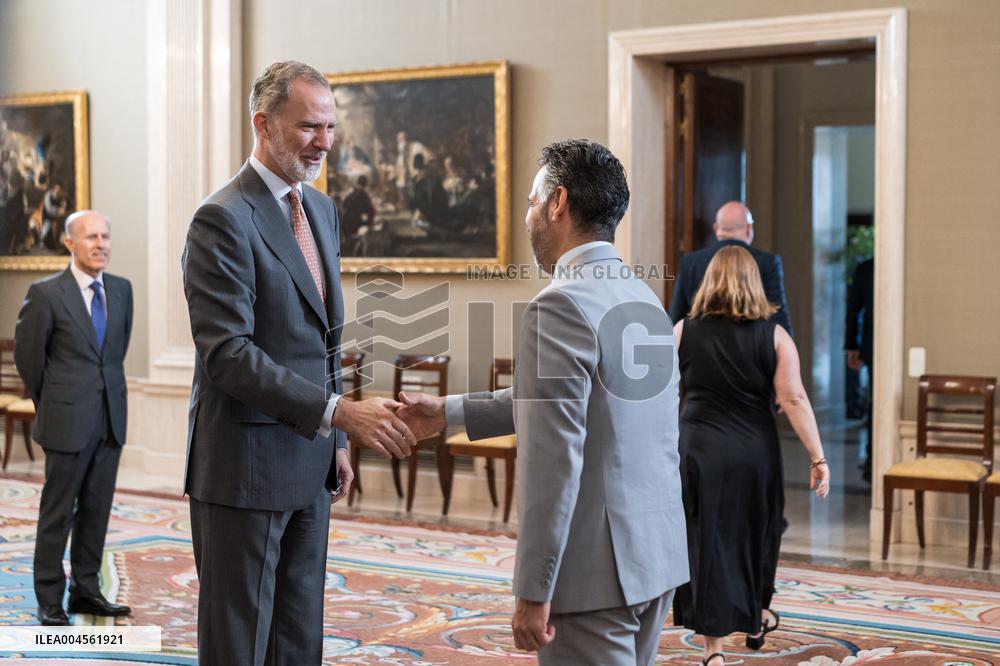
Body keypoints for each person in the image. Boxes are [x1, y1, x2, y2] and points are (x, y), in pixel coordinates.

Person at [397, 139, 688, 666]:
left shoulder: (559, 304)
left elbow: (554, 458)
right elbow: (572, 405)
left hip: (594, 572)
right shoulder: (643, 295)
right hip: (654, 554)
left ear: (558, 203)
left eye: (532, 202)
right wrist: (448, 413)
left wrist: (534, 588)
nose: (528, 215)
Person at [181, 61, 417, 665]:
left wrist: (333, 441)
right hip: (244, 467)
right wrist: (339, 413)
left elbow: (323, 338)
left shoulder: (322, 210)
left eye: (331, 128)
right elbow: (228, 355)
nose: (325, 143)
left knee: (298, 637)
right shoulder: (222, 218)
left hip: (311, 462)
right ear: (263, 124)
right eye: (310, 127)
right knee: (240, 643)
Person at [670, 245, 830, 665]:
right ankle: (757, 616)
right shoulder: (775, 336)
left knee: (706, 542)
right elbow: (793, 399)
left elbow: (664, 395)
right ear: (754, 282)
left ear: (708, 281)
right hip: (753, 451)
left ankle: (713, 650)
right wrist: (818, 457)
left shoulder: (683, 331)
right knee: (757, 531)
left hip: (699, 450)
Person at [14, 210, 133, 626]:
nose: (100, 244)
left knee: (97, 509)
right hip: (66, 420)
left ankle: (86, 590)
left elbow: (113, 355)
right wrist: (54, 404)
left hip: (110, 418)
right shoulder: (46, 293)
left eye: (105, 236)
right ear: (70, 244)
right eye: (90, 237)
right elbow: (29, 360)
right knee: (57, 513)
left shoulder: (122, 290)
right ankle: (50, 598)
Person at [668, 201, 793, 335]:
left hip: (700, 349)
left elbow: (677, 315)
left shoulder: (690, 262)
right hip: (753, 347)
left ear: (716, 228)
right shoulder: (767, 262)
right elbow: (778, 315)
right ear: (749, 228)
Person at [845, 257, 874, 482]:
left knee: (874, 404)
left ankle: (872, 457)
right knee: (873, 404)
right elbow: (853, 309)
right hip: (870, 346)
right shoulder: (865, 268)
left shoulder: (865, 267)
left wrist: (852, 345)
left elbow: (853, 310)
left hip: (872, 345)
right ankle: (872, 456)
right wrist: (852, 346)